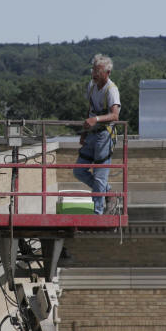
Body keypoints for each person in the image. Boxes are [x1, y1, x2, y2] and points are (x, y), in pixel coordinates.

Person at [73, 54, 121, 215]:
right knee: (79, 170)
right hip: (92, 134)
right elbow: (90, 109)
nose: (94, 74)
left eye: (97, 71)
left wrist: (96, 119)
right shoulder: (92, 86)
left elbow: (115, 116)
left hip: (104, 135)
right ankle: (109, 193)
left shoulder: (111, 90)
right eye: (93, 70)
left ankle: (98, 212)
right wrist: (85, 132)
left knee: (100, 175)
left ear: (107, 73)